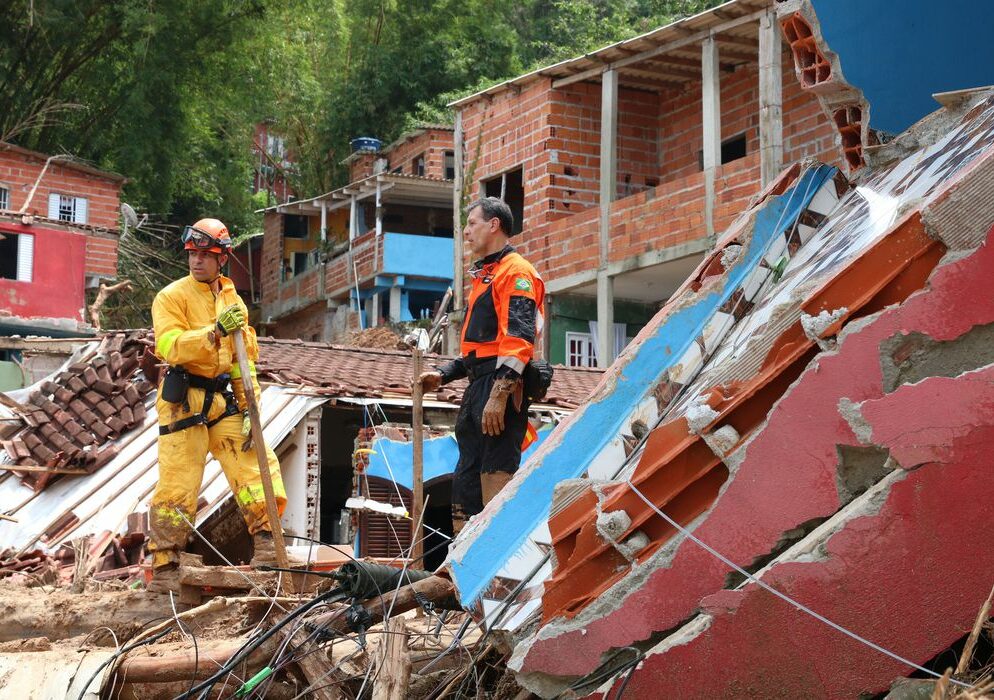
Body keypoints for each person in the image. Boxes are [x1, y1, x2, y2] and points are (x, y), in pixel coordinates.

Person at [147, 218, 286, 590]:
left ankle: (269, 549)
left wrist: (250, 407)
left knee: (257, 466)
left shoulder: (231, 298)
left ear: (222, 258)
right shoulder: (171, 296)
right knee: (178, 481)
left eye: (206, 255)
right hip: (185, 400)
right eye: (193, 254)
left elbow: (245, 358)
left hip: (223, 399)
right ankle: (165, 566)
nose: (197, 262)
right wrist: (213, 332)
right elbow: (170, 346)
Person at [417, 197, 545, 533]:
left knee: (495, 471)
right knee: (467, 475)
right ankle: (462, 563)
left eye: (472, 223)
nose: (466, 231)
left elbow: (518, 338)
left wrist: (500, 393)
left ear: (494, 225)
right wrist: (444, 375)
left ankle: (495, 559)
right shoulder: (487, 275)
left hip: (501, 384)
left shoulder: (517, 272)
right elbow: (481, 349)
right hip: (479, 385)